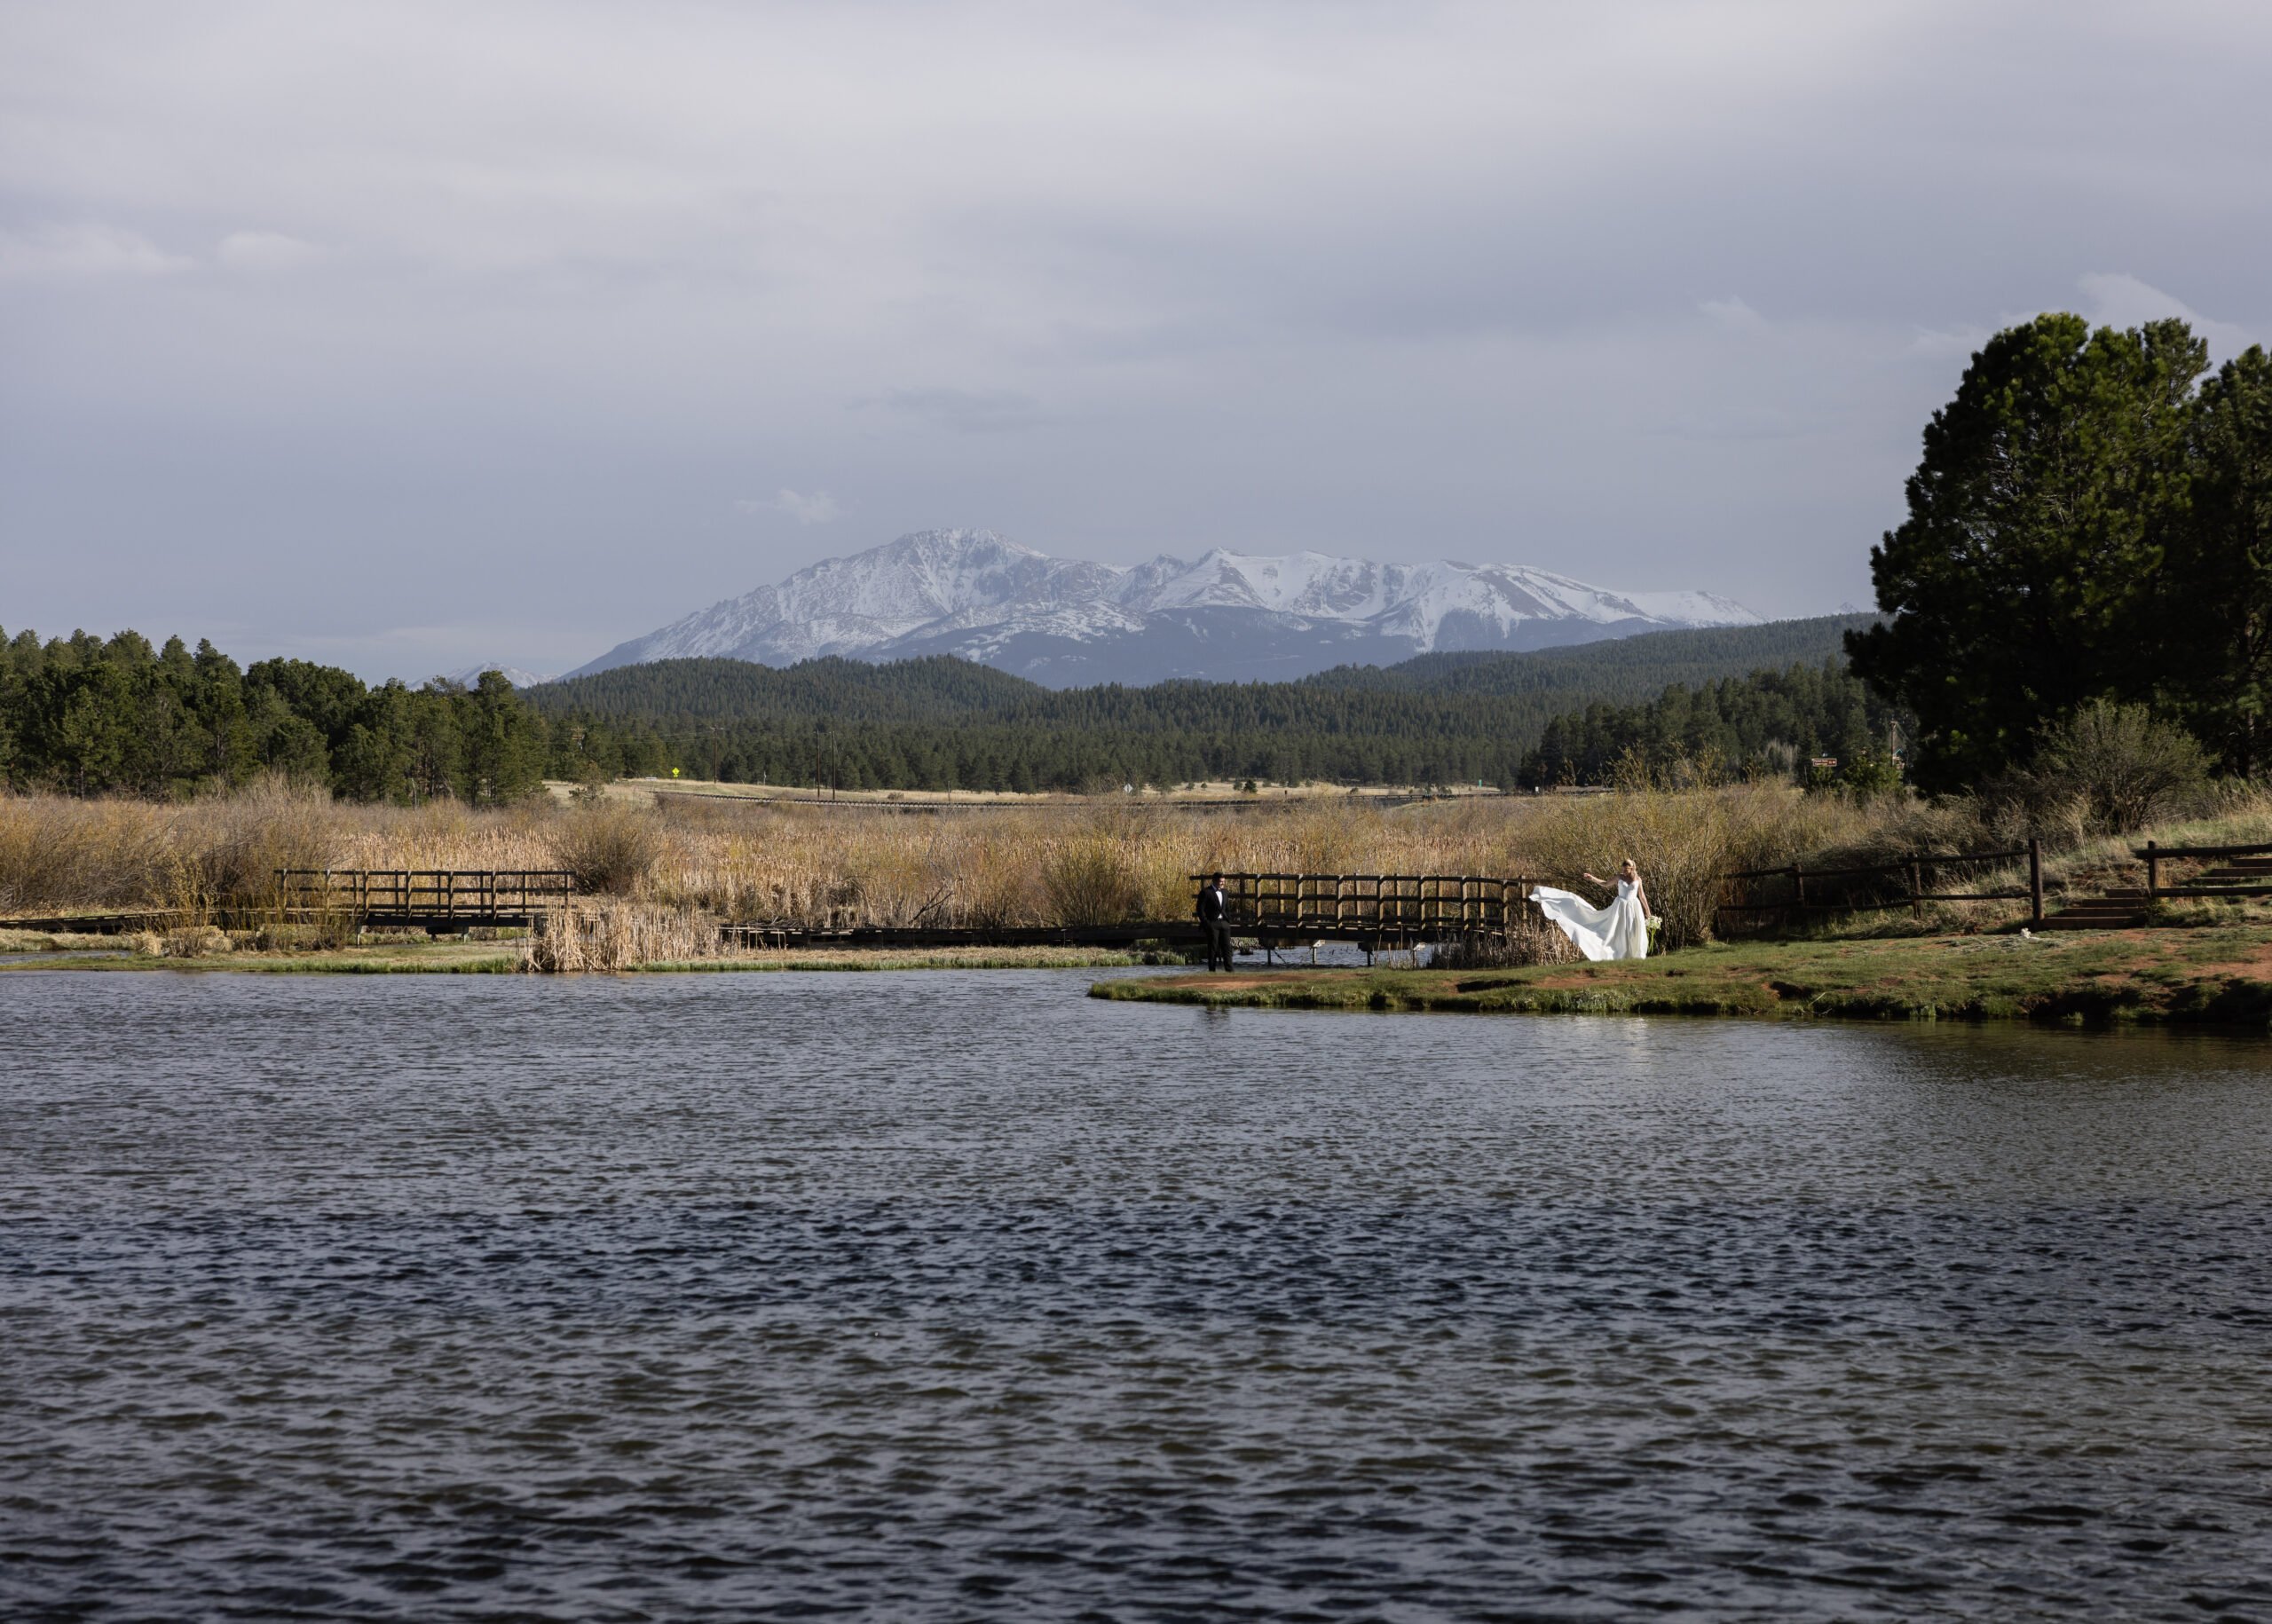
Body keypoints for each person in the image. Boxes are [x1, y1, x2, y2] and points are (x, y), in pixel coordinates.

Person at [1531, 858, 1651, 961]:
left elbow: (1642, 896)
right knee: (1619, 930)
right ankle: (1621, 953)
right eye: (1623, 869)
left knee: (1632, 929)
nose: (1624, 872)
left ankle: (1633, 954)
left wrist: (1647, 911)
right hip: (1620, 907)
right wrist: (1593, 878)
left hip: (1633, 907)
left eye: (1626, 869)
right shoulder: (1619, 877)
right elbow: (1605, 884)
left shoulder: (1638, 879)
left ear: (1631, 868)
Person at [1195, 873, 1234, 971]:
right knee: (1212, 948)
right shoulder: (1206, 892)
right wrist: (1207, 923)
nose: (1222, 884)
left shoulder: (1224, 892)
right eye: (1221, 882)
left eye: (1224, 882)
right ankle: (1212, 970)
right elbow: (1200, 909)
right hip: (1212, 923)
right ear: (1214, 881)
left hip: (1224, 923)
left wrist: (1228, 919)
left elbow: (1227, 907)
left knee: (1227, 948)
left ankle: (1230, 971)